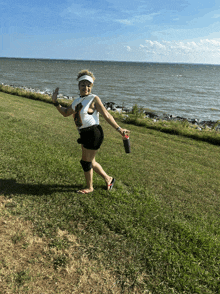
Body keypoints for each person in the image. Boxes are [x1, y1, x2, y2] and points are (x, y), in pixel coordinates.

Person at [52, 69, 130, 194]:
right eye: (83, 85)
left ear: (91, 86)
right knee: (91, 161)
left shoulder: (93, 99)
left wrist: (119, 129)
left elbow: (106, 115)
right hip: (84, 133)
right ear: (79, 86)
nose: (86, 87)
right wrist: (55, 102)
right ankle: (108, 179)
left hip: (94, 133)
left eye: (88, 85)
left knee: (86, 162)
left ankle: (90, 187)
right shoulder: (77, 101)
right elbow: (66, 113)